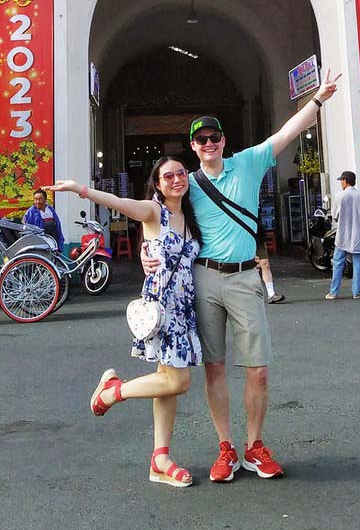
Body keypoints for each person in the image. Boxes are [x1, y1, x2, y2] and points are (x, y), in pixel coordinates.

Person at [145, 68, 342, 483]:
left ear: (223, 140)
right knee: (213, 368)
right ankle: (226, 448)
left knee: (258, 368)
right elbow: (161, 220)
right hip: (204, 280)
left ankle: (254, 445)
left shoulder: (249, 162)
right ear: (194, 147)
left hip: (244, 277)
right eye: (201, 140)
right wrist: (148, 252)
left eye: (214, 137)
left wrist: (319, 99)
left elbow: (287, 132)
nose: (209, 144)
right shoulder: (188, 183)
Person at [47, 157, 202, 489]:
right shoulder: (152, 210)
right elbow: (119, 202)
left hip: (184, 307)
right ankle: (114, 391)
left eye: (180, 173)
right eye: (168, 176)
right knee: (179, 382)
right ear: (157, 184)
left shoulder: (189, 215)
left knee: (167, 380)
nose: (176, 179)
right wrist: (81, 190)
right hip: (162, 307)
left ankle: (160, 459)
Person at [325, 170, 360, 300]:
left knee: (338, 262)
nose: (340, 183)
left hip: (343, 235)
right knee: (357, 263)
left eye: (341, 180)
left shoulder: (340, 196)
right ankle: (356, 292)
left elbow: (335, 216)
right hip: (358, 234)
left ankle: (333, 292)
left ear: (345, 181)